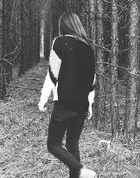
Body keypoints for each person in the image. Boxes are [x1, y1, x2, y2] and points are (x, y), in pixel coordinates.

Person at [38, 12, 97, 178]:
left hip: (64, 104)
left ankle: (81, 170)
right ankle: (80, 172)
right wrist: (90, 104)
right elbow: (92, 80)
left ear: (63, 26)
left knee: (53, 144)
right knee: (72, 145)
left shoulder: (59, 42)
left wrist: (43, 99)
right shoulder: (88, 46)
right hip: (81, 106)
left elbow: (52, 74)